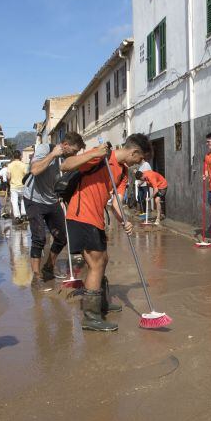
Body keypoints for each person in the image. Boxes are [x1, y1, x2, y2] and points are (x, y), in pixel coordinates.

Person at [62, 133, 151, 332]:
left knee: (104, 258)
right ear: (134, 152)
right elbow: (66, 165)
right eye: (140, 158)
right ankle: (91, 317)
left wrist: (124, 221)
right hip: (81, 215)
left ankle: (101, 303)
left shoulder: (122, 172)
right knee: (96, 262)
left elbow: (116, 204)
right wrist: (95, 154)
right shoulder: (101, 156)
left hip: (96, 219)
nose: (139, 163)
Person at [26, 132, 84, 280]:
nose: (75, 154)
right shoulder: (45, 149)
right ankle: (37, 275)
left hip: (52, 199)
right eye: (74, 151)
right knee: (39, 238)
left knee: (62, 237)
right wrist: (53, 155)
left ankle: (48, 267)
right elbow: (34, 170)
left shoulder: (67, 160)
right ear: (65, 146)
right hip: (34, 199)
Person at [7, 155, 28, 224]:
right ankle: (24, 214)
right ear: (20, 157)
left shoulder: (10, 165)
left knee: (14, 201)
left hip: (13, 186)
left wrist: (9, 182)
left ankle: (17, 216)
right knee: (23, 200)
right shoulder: (24, 165)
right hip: (22, 185)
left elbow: (8, 176)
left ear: (13, 157)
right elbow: (26, 175)